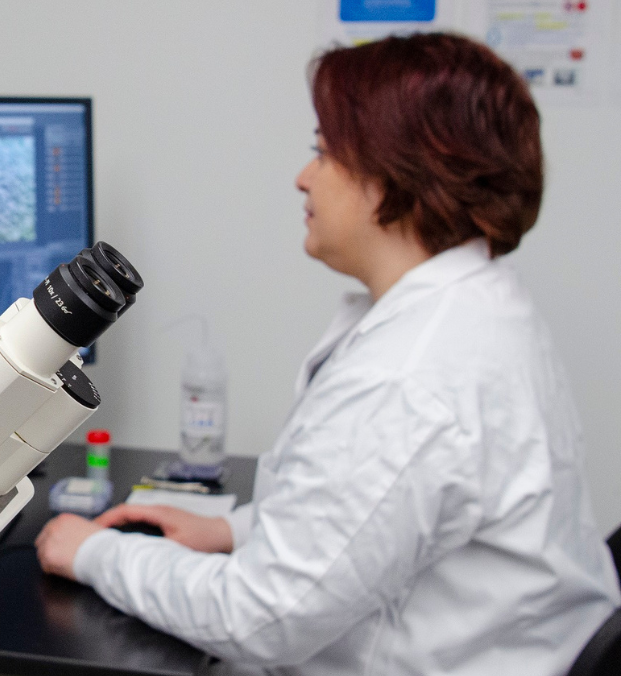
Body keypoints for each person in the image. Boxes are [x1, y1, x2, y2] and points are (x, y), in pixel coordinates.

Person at [35, 32, 621, 675]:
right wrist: (234, 531)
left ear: (398, 174)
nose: (302, 177)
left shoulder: (410, 377)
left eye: (323, 152)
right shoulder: (479, 308)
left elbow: (258, 618)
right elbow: (372, 516)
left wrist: (92, 554)